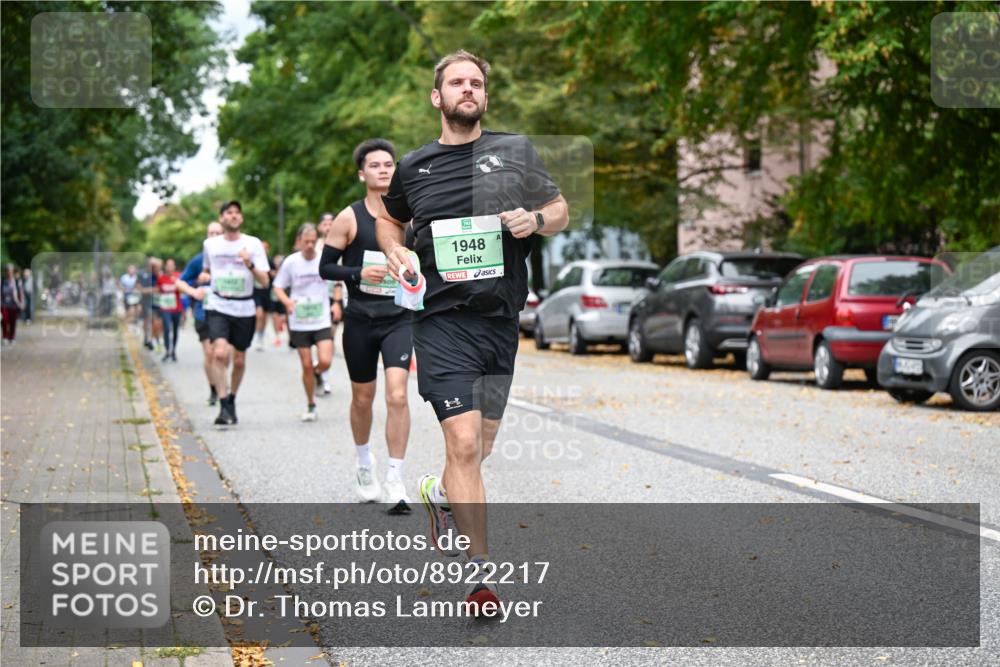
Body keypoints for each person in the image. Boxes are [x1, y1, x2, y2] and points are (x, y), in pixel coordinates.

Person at [376, 50, 569, 608]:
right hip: (440, 320)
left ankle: (439, 493)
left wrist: (535, 219)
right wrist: (394, 251)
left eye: (476, 82)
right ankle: (478, 574)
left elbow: (558, 208)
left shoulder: (515, 151)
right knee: (460, 441)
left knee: (479, 447)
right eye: (457, 82)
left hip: (500, 321)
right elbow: (391, 218)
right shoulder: (414, 167)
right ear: (437, 97)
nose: (468, 89)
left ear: (485, 96)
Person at [321, 139, 414, 513]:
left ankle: (395, 477)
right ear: (362, 174)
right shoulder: (349, 217)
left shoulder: (408, 217)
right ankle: (364, 463)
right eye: (375, 165)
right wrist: (359, 271)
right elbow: (325, 268)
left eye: (389, 164)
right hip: (360, 319)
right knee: (363, 397)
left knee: (397, 395)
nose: (384, 170)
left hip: (399, 317)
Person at [201, 200, 271, 427]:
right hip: (218, 305)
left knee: (239, 359)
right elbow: (207, 270)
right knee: (219, 354)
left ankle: (232, 398)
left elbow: (265, 281)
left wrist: (249, 264)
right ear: (222, 218)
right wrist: (204, 277)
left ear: (241, 218)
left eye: (237, 213)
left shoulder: (253, 244)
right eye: (229, 213)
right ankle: (223, 404)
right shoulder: (210, 245)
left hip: (244, 307)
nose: (233, 216)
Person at [274, 224, 334, 422]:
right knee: (306, 365)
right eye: (306, 241)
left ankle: (318, 373)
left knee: (325, 361)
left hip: (321, 318)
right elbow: (278, 286)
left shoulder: (323, 258)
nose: (309, 245)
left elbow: (337, 280)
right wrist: (287, 302)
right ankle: (311, 404)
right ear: (299, 241)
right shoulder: (291, 262)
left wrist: (337, 303)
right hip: (299, 321)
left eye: (312, 241)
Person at [177, 221, 225, 405]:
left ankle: (221, 383)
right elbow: (180, 282)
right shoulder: (198, 261)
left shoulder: (229, 258)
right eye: (211, 233)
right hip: (202, 313)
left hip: (225, 313)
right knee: (210, 354)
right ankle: (215, 389)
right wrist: (193, 292)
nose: (213, 236)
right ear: (206, 236)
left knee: (222, 354)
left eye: (217, 233)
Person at [316, 211, 342, 394]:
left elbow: (340, 274)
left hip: (333, 297)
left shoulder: (341, 244)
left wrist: (337, 301)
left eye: (331, 222)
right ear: (319, 227)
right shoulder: (313, 245)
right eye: (325, 223)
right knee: (317, 338)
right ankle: (319, 373)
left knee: (329, 336)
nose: (328, 225)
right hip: (314, 298)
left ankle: (323, 373)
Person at [156, 259, 183, 362]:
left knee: (175, 330)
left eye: (172, 265)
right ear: (165, 267)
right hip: (165, 308)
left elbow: (182, 290)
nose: (170, 267)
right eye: (168, 265)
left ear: (174, 267)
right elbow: (158, 290)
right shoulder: (161, 278)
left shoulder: (178, 276)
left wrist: (177, 283)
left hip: (177, 307)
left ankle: (174, 351)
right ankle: (167, 350)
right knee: (167, 328)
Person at [252, 240, 273, 351]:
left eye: (265, 248)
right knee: (258, 314)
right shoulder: (254, 261)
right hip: (256, 292)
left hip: (266, 292)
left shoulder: (269, 261)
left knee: (264, 317)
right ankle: (256, 335)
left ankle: (261, 335)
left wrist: (271, 274)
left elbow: (275, 275)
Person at [268, 254, 288, 347]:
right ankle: (277, 337)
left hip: (284, 297)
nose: (277, 263)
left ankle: (285, 333)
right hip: (274, 297)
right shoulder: (271, 271)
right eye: (276, 262)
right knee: (274, 317)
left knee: (284, 318)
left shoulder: (286, 272)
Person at [1, 265, 25, 345]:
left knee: (13, 322)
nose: (9, 273)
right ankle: (5, 336)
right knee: (4, 320)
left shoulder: (17, 281)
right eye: (8, 271)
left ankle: (12, 337)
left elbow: (21, 293)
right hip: (4, 304)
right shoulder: (3, 281)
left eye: (11, 271)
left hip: (14, 305)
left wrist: (22, 303)